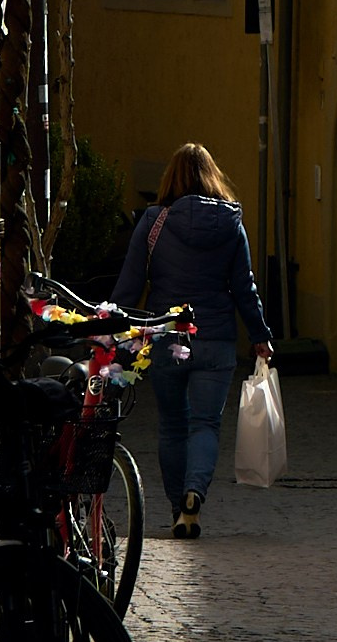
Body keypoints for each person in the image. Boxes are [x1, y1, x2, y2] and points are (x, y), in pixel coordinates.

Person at [112, 141, 273, 537]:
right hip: (216, 338)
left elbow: (130, 285)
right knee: (205, 423)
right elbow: (244, 288)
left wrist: (108, 329)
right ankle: (193, 496)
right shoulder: (231, 223)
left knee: (172, 425)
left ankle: (176, 509)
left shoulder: (152, 222)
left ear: (171, 177)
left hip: (167, 336)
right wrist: (259, 336)